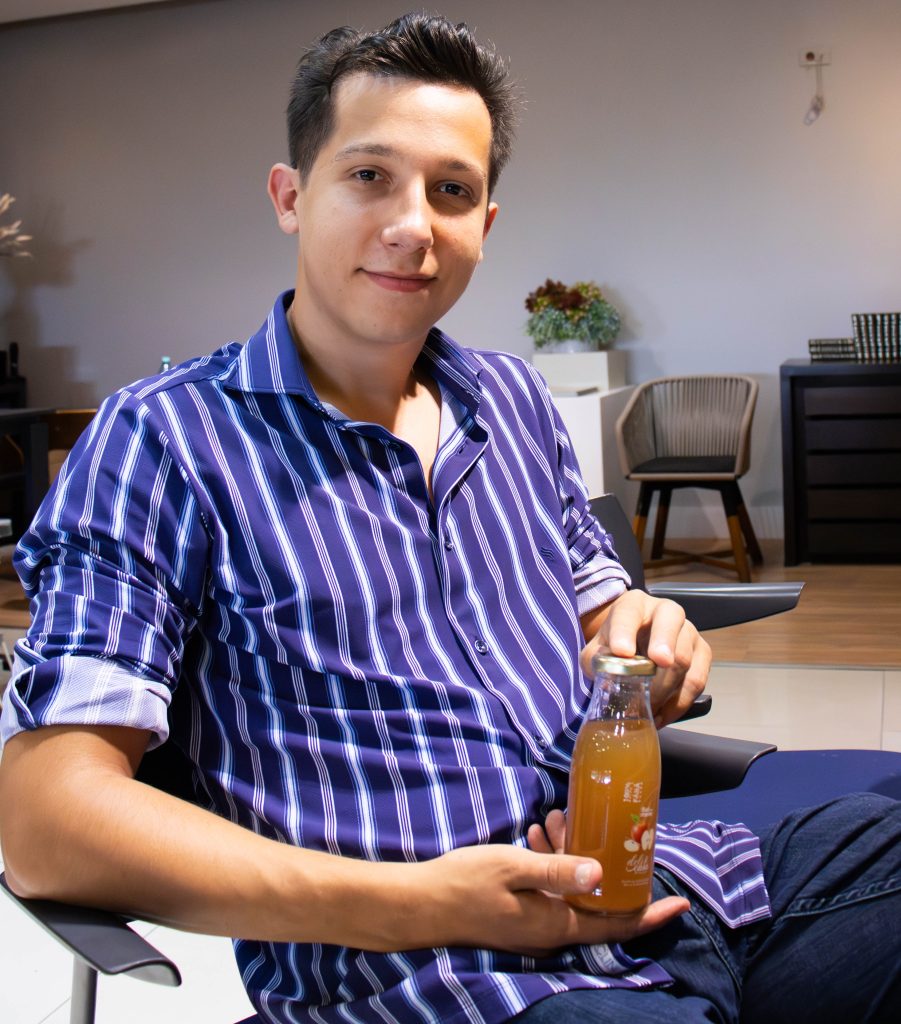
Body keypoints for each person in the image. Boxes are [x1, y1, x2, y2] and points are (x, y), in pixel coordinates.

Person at [0, 13, 898, 1024]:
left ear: (485, 223)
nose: (413, 224)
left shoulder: (511, 402)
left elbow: (599, 615)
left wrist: (645, 636)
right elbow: (44, 822)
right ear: (290, 196)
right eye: (368, 176)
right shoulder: (165, 442)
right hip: (427, 975)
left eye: (451, 191)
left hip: (660, 891)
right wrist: (419, 903)